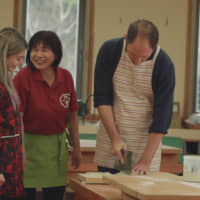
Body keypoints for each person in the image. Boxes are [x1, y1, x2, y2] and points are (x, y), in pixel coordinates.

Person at [94, 19, 175, 175]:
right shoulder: (110, 51)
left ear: (155, 46)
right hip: (112, 140)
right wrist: (115, 138)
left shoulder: (164, 65)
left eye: (144, 57)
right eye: (132, 54)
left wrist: (145, 162)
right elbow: (102, 98)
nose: (137, 62)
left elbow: (162, 118)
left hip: (145, 146)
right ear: (126, 38)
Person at [13, 31, 81, 200]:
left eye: (45, 50)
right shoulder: (23, 77)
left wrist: (77, 148)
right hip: (28, 146)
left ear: (56, 53)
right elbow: (17, 118)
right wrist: (20, 150)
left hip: (55, 149)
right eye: (35, 50)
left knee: (56, 194)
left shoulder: (65, 76)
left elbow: (72, 115)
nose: (39, 55)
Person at [0, 27, 27, 199]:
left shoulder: (7, 83)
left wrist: (21, 151)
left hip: (12, 165)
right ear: (4, 54)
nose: (19, 63)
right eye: (18, 58)